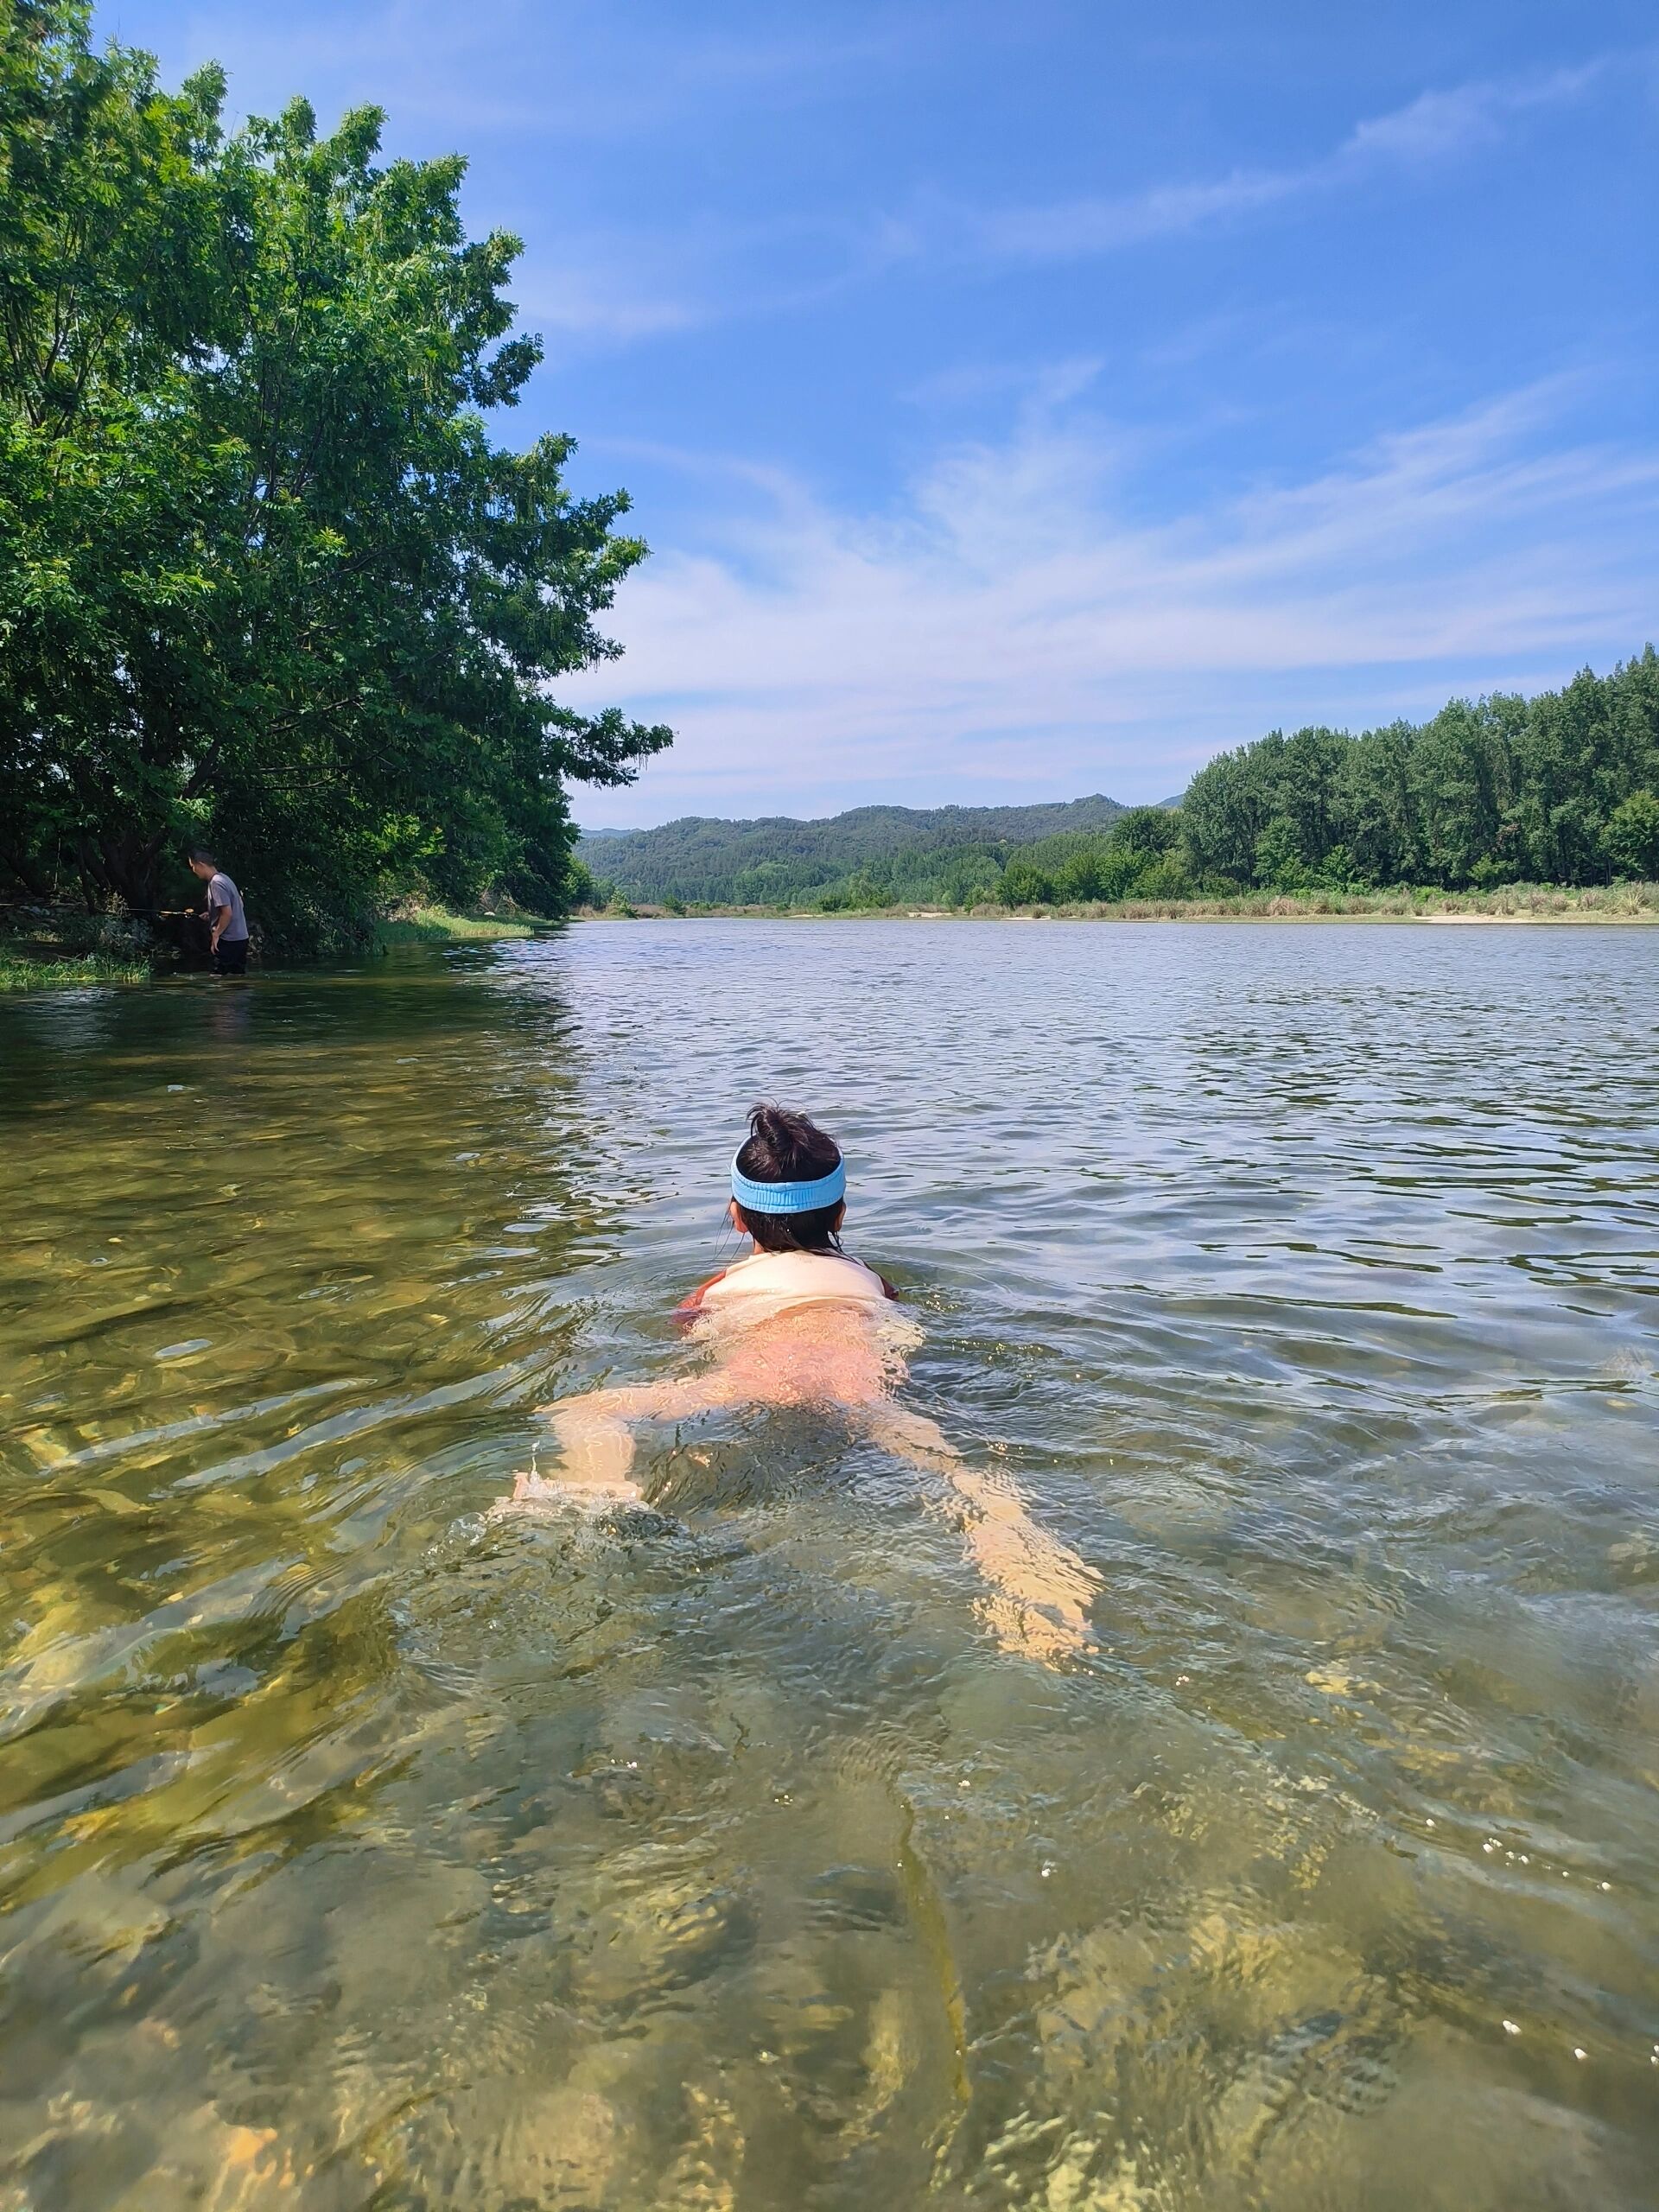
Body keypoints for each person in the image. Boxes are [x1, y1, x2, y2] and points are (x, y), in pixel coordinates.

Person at [507, 1103, 1099, 1663]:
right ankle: (1021, 1557)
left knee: (587, 1409)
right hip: (860, 1388)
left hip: (748, 1382)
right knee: (956, 1471)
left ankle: (598, 1490)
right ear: (840, 1213)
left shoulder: (712, 1294)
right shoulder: (873, 1284)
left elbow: (687, 1341)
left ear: (737, 1216)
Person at [187, 848, 251, 975]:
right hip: (241, 939)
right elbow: (239, 904)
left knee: (217, 979)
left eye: (193, 866)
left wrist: (216, 934)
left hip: (228, 941)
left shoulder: (216, 883)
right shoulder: (225, 878)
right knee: (236, 978)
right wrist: (212, 914)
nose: (193, 871)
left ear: (201, 864)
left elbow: (227, 913)